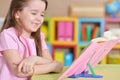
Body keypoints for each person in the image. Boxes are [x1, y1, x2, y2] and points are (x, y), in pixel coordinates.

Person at [0, 0, 63, 80]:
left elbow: (53, 63)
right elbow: (20, 71)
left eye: (42, 15)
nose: (39, 19)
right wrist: (53, 66)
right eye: (34, 13)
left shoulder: (39, 37)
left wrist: (34, 59)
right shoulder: (8, 35)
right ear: (17, 13)